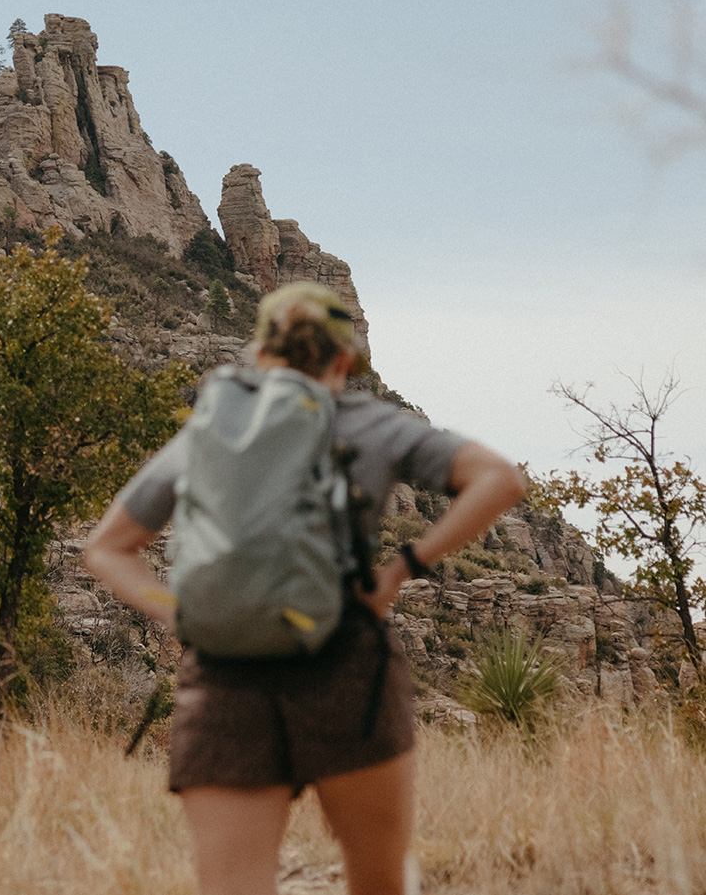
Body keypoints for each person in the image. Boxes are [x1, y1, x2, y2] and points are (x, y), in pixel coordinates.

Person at [83, 282, 524, 895]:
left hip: (223, 675)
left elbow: (105, 547)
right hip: (344, 665)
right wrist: (402, 568)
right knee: (378, 883)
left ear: (259, 353)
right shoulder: (370, 422)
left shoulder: (212, 429)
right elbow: (501, 480)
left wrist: (178, 611)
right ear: (343, 359)